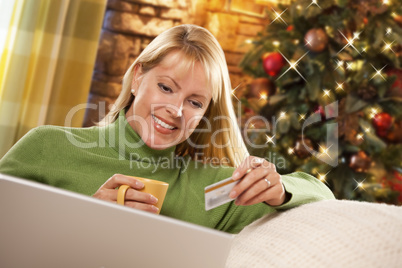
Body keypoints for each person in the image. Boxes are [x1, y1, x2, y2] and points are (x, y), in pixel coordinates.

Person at [0, 24, 334, 234]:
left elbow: (323, 198)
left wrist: (279, 189)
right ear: (137, 77)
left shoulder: (214, 193)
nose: (175, 111)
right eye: (166, 87)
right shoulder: (48, 147)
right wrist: (83, 216)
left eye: (195, 102)